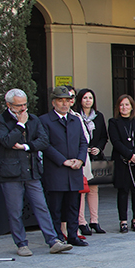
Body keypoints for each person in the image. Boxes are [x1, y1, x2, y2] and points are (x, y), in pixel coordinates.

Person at [0, 89, 69, 255]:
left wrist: (26, 146)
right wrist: (20, 125)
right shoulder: (0, 121)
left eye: (25, 104)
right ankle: (21, 244)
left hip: (32, 171)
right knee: (15, 210)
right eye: (18, 105)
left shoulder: (33, 119)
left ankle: (53, 240)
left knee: (41, 206)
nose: (23, 108)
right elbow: (6, 141)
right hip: (11, 173)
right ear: (9, 105)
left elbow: (43, 141)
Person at [41, 86, 89, 247]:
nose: (64, 104)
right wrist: (63, 161)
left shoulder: (75, 120)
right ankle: (56, 237)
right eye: (60, 101)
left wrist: (80, 160)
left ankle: (73, 235)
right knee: (55, 207)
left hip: (74, 170)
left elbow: (83, 142)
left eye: (67, 101)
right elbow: (45, 145)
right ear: (54, 102)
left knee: (73, 205)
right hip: (56, 171)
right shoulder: (45, 120)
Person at [108, 94, 135, 233]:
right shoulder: (113, 122)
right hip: (122, 161)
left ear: (132, 106)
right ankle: (123, 221)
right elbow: (116, 141)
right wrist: (129, 155)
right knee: (123, 191)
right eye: (121, 105)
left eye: (126, 105)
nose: (124, 108)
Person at [75, 88, 107, 235]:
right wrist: (84, 149)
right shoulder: (75, 116)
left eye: (90, 98)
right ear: (80, 100)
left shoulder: (98, 116)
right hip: (82, 157)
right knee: (82, 189)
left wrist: (98, 148)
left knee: (94, 190)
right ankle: (82, 222)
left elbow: (103, 136)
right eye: (85, 98)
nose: (88, 100)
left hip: (95, 157)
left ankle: (95, 220)